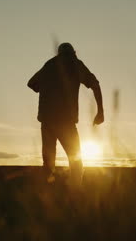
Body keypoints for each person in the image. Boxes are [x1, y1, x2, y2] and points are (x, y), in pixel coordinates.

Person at [28, 43, 104, 186]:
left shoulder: (49, 64)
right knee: (75, 158)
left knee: (48, 161)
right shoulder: (75, 64)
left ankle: (47, 193)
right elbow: (95, 84)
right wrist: (100, 111)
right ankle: (75, 190)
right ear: (73, 53)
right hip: (65, 120)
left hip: (47, 120)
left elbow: (31, 83)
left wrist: (45, 87)